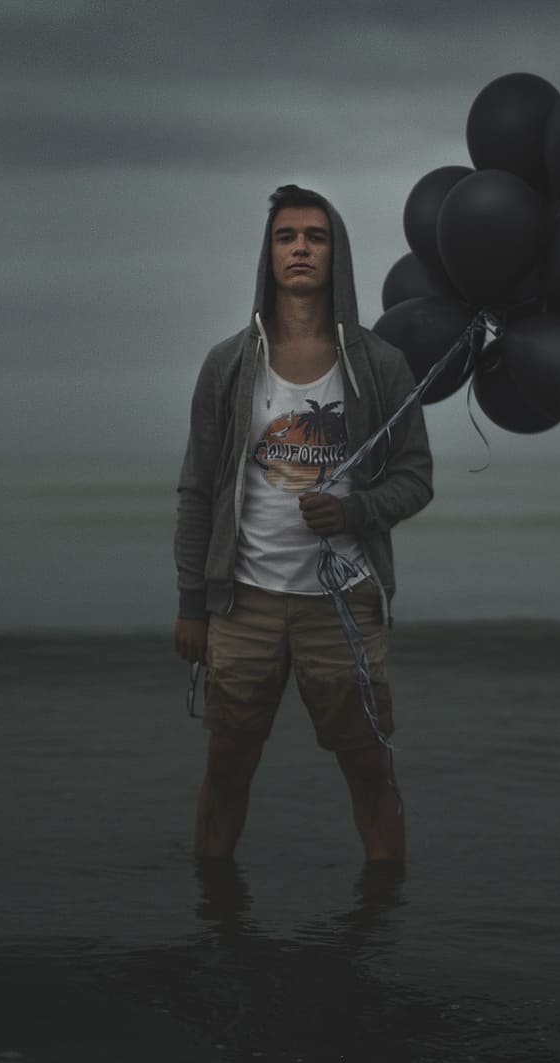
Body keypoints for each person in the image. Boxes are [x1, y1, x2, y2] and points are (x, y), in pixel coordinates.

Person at [173, 183, 433, 867]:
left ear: (335, 251)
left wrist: (355, 511)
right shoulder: (227, 365)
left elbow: (416, 476)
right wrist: (191, 602)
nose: (299, 248)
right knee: (227, 762)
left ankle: (381, 927)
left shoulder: (379, 365)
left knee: (369, 766)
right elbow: (198, 490)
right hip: (244, 601)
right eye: (287, 236)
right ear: (269, 252)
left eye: (315, 236)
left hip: (343, 603)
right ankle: (215, 916)